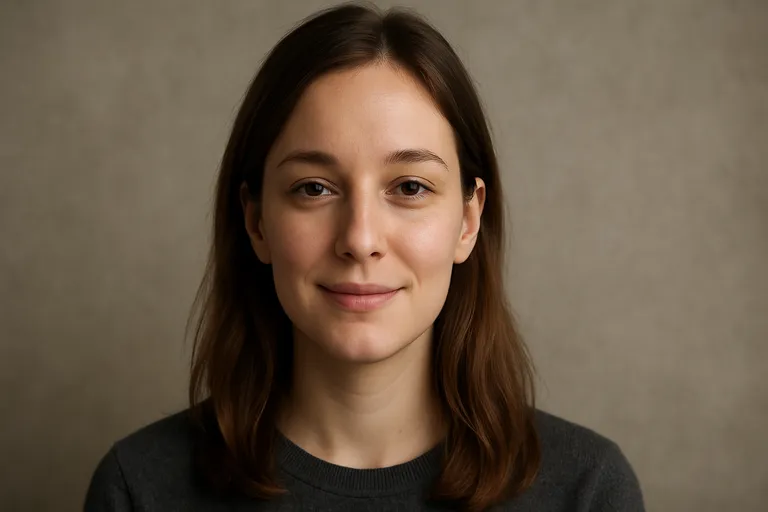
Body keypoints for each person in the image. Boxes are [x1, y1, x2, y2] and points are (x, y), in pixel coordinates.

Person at [84, 3, 645, 511]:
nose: (360, 238)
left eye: (409, 187)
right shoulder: (139, 489)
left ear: (469, 220)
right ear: (256, 221)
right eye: (313, 188)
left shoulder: (587, 490)